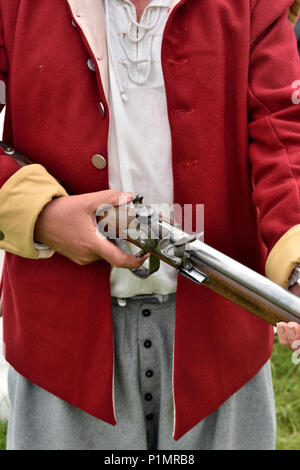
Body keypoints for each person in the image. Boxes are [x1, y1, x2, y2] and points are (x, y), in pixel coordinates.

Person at [0, 0, 300, 450]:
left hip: (221, 343)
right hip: (61, 344)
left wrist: (295, 270)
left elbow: (283, 136)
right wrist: (42, 214)